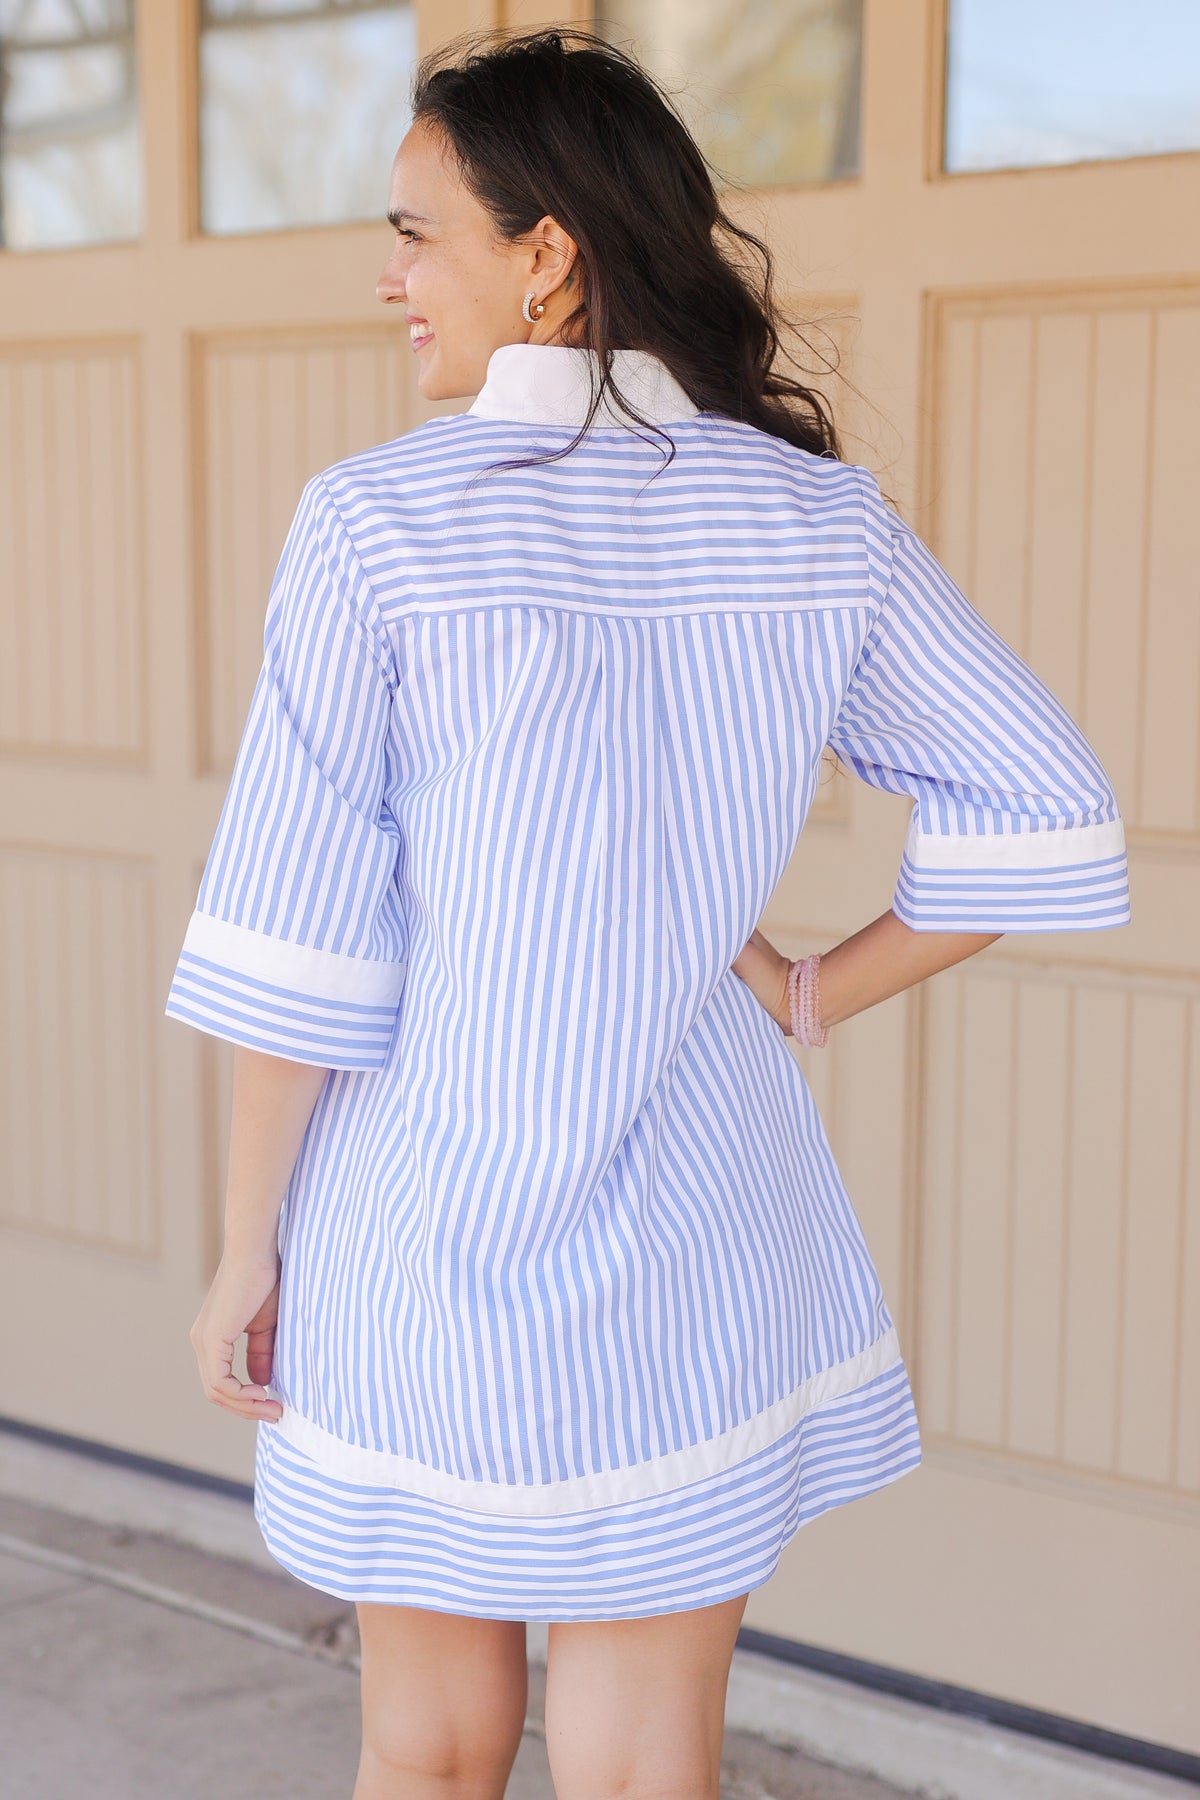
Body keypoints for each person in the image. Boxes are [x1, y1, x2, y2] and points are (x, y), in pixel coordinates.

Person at [164, 27, 1131, 1800]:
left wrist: (247, 1242)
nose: (387, 274)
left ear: (545, 256)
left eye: (416, 231)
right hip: (700, 1223)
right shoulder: (810, 519)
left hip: (421, 1221)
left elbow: (307, 928)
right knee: (644, 1771)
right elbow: (1047, 804)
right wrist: (809, 977)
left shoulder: (383, 523)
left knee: (429, 1757)